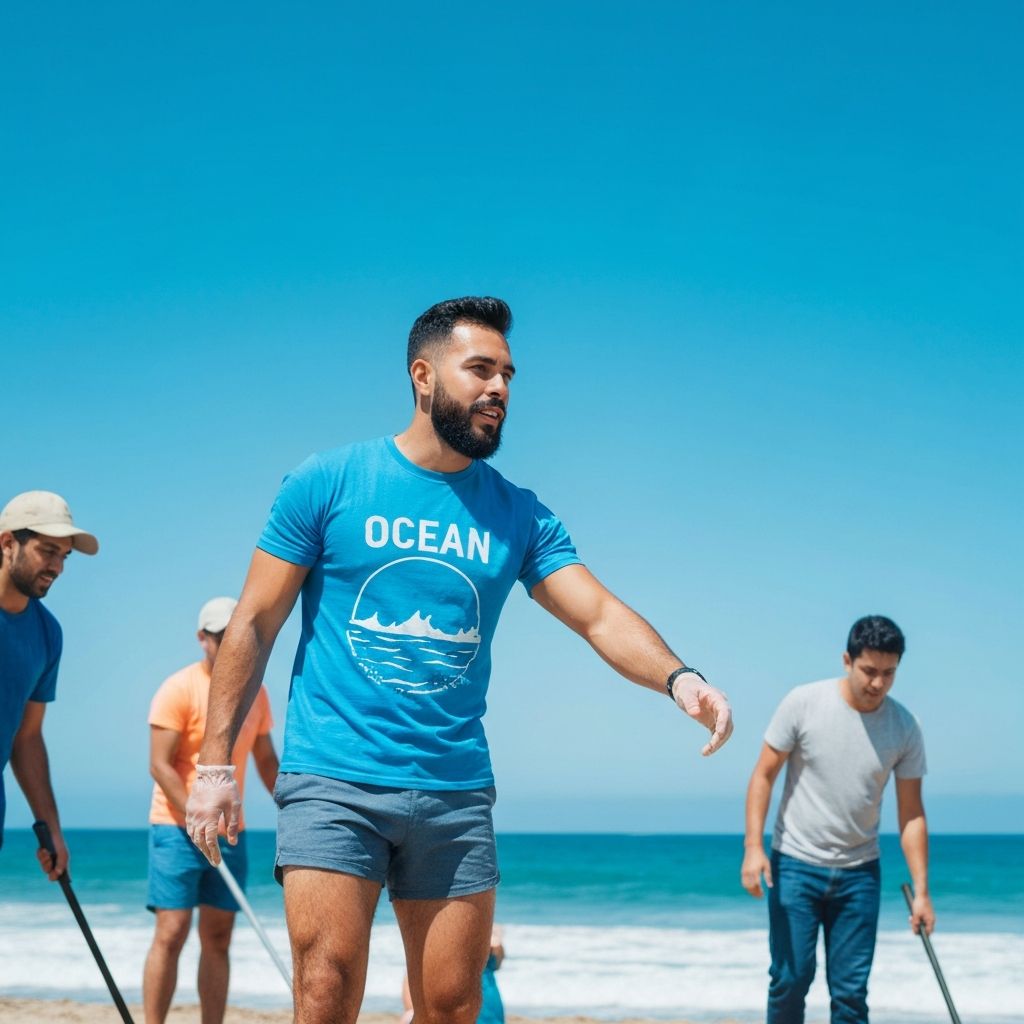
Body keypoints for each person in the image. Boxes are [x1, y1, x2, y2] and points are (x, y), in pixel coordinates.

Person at [184, 296, 734, 1024]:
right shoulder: (329, 481)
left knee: (452, 1004)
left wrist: (679, 676)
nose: (500, 388)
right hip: (333, 777)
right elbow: (254, 622)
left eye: (508, 374)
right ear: (423, 375)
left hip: (454, 790)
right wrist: (216, 765)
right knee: (323, 989)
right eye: (480, 369)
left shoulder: (519, 513)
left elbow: (597, 614)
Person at [740, 615, 934, 1024]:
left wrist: (921, 891)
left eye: (888, 673)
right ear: (847, 660)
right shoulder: (803, 702)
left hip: (860, 873)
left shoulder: (904, 727)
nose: (878, 683)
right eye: (869, 671)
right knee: (790, 980)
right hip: (794, 864)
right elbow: (763, 775)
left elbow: (911, 813)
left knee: (850, 994)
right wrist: (753, 847)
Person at [143, 596, 279, 1024]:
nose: (232, 643)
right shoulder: (178, 688)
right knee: (172, 931)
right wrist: (192, 815)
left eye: (238, 634)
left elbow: (265, 760)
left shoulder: (256, 693)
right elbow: (159, 765)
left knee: (218, 936)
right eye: (222, 637)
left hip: (228, 831)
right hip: (175, 827)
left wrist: (293, 807)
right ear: (203, 639)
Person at [0, 490, 98, 881]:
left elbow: (27, 737)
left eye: (64, 556)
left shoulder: (47, 634)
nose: (57, 567)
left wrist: (52, 829)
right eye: (48, 551)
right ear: (8, 542)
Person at [400, 925, 505, 1024]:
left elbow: (497, 961)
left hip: (487, 1011)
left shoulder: (484, 958)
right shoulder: (443, 956)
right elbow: (412, 977)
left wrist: (495, 943)